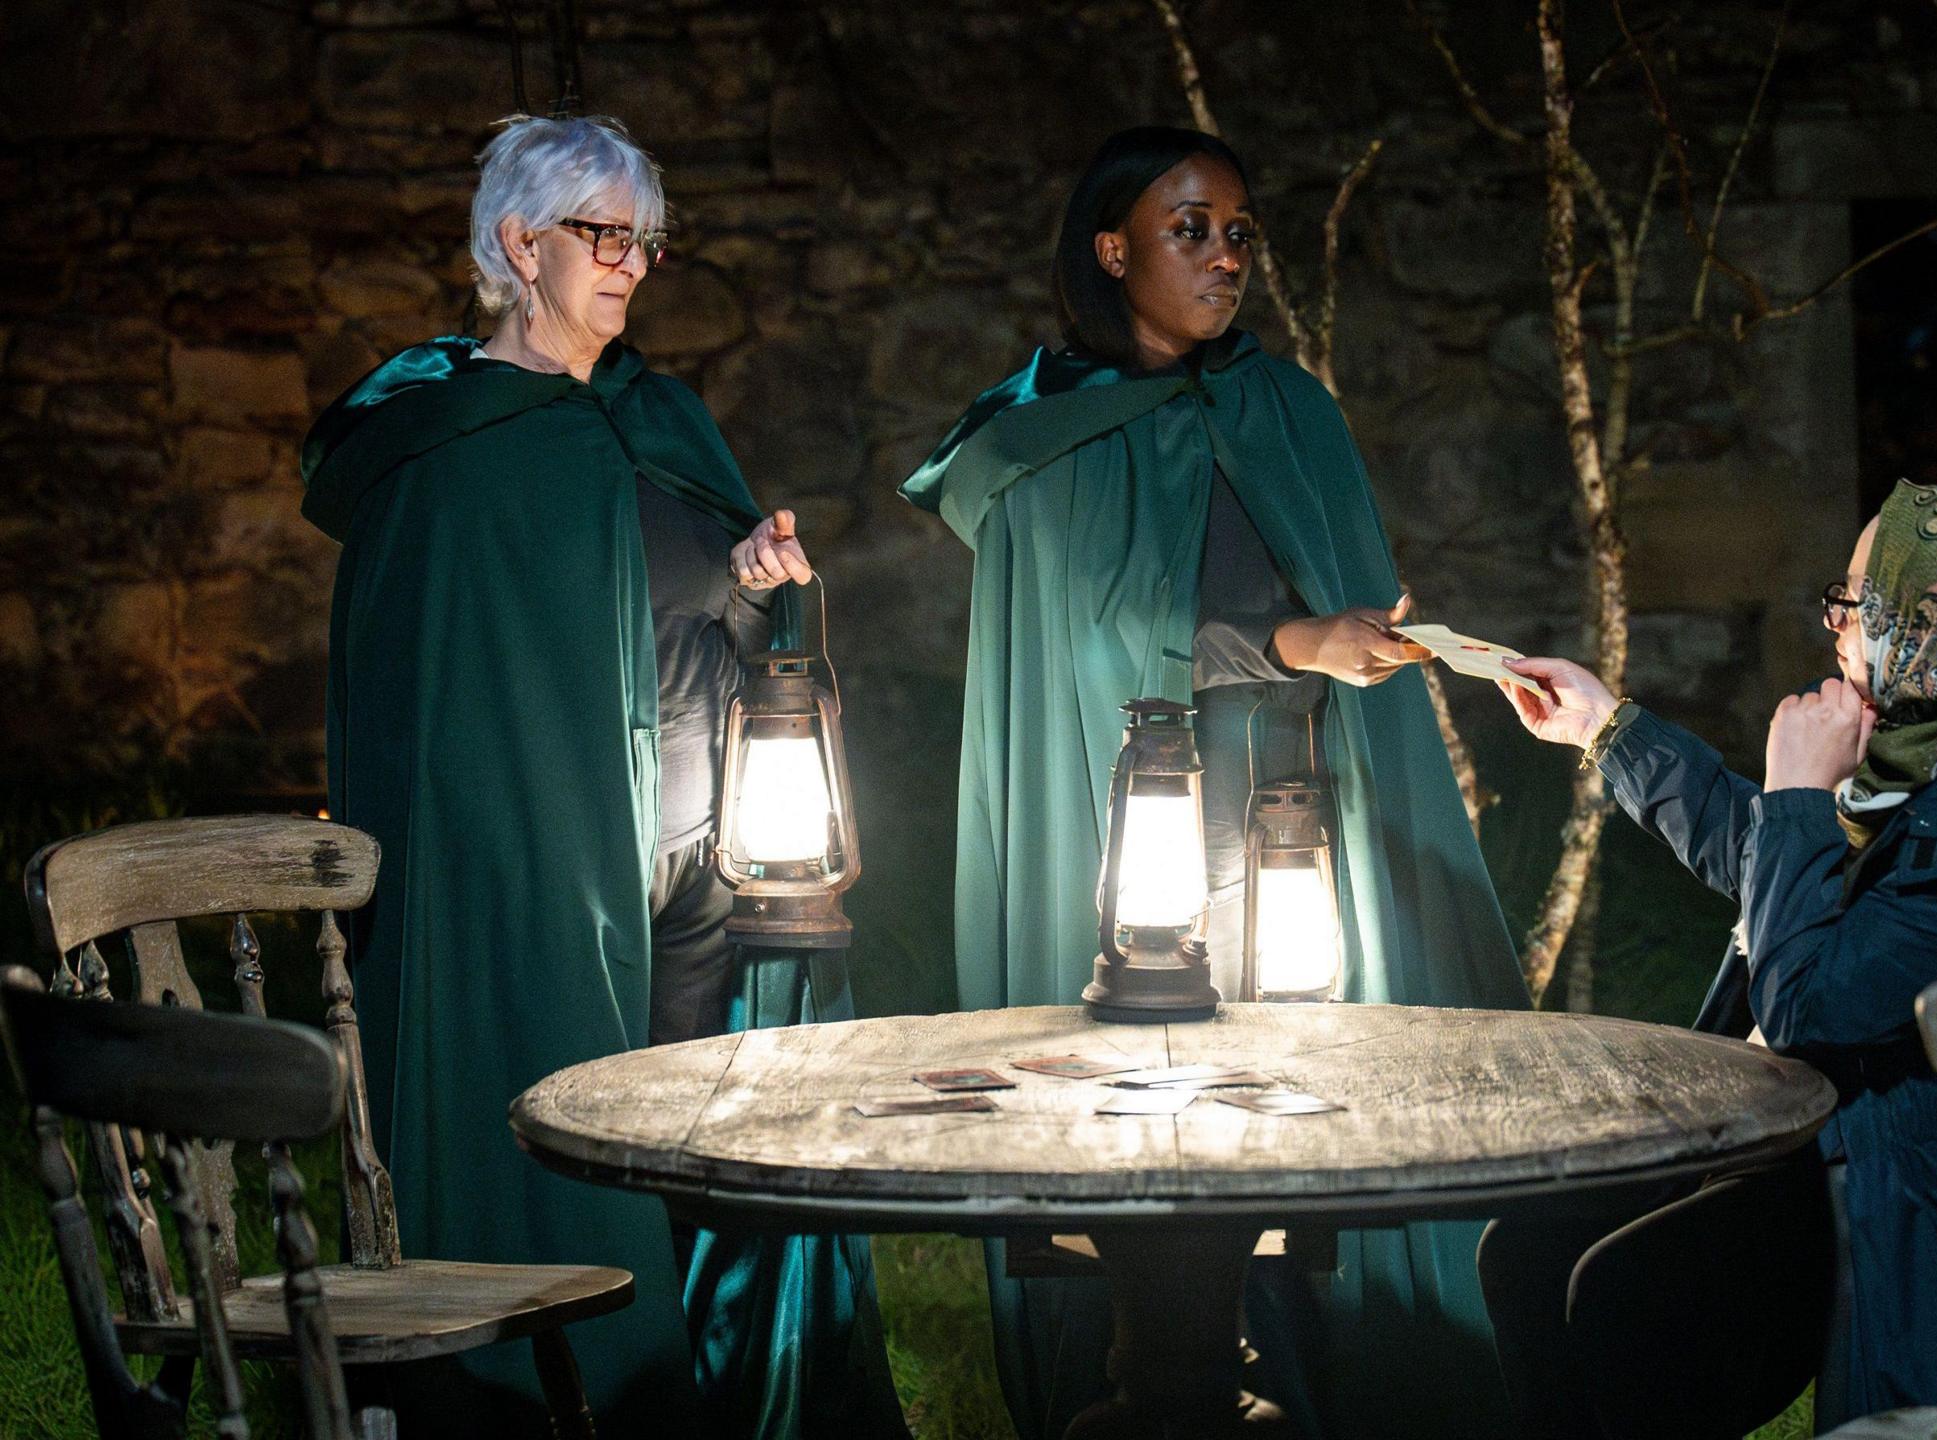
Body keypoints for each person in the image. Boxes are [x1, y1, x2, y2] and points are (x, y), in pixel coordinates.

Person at [900, 126, 1527, 1438]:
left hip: (1304, 823)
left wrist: (1366, 634)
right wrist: (1296, 640)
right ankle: (1162, 1390)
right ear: (1113, 248)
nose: (1225, 255)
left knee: (1310, 1117)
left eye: (1240, 231)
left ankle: (1339, 1384)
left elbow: (1324, 572)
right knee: (1171, 1132)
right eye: (1190, 227)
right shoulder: (1047, 441)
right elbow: (1085, 644)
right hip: (1142, 843)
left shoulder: (1284, 406)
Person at [302, 113, 906, 1437]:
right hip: (529, 884)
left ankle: (719, 1403)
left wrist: (768, 599)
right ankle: (570, 1404)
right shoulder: (445, 453)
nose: (630, 262)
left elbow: (730, 636)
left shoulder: (657, 414)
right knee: (575, 1154)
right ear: (519, 244)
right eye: (603, 233)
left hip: (702, 879)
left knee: (696, 1166)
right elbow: (433, 702)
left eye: (646, 238)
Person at [1484, 481, 1937, 1436]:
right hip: (1846, 1145)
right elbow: (1775, 873)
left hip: (1914, 1199)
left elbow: (1805, 997)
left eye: (1860, 602)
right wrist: (1606, 728)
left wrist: (1800, 789)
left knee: (1620, 1299)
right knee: (1530, 1249)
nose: (1836, 625)